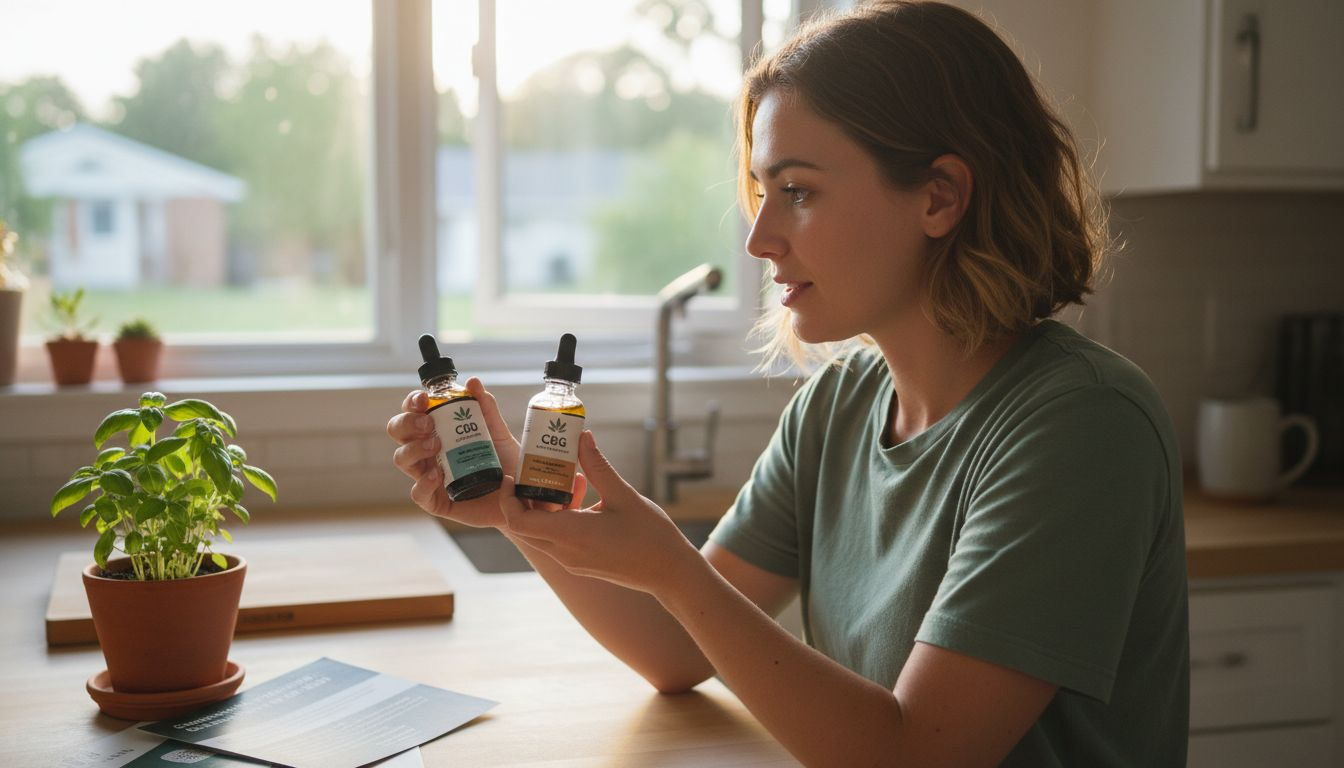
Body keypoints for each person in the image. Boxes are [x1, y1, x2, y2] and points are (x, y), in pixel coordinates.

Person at [388, 1, 1189, 765]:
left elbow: (914, 755)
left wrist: (673, 567)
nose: (760, 238)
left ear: (939, 197)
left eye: (798, 191)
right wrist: (514, 503)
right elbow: (676, 650)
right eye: (762, 192)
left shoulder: (1082, 425)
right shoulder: (838, 407)